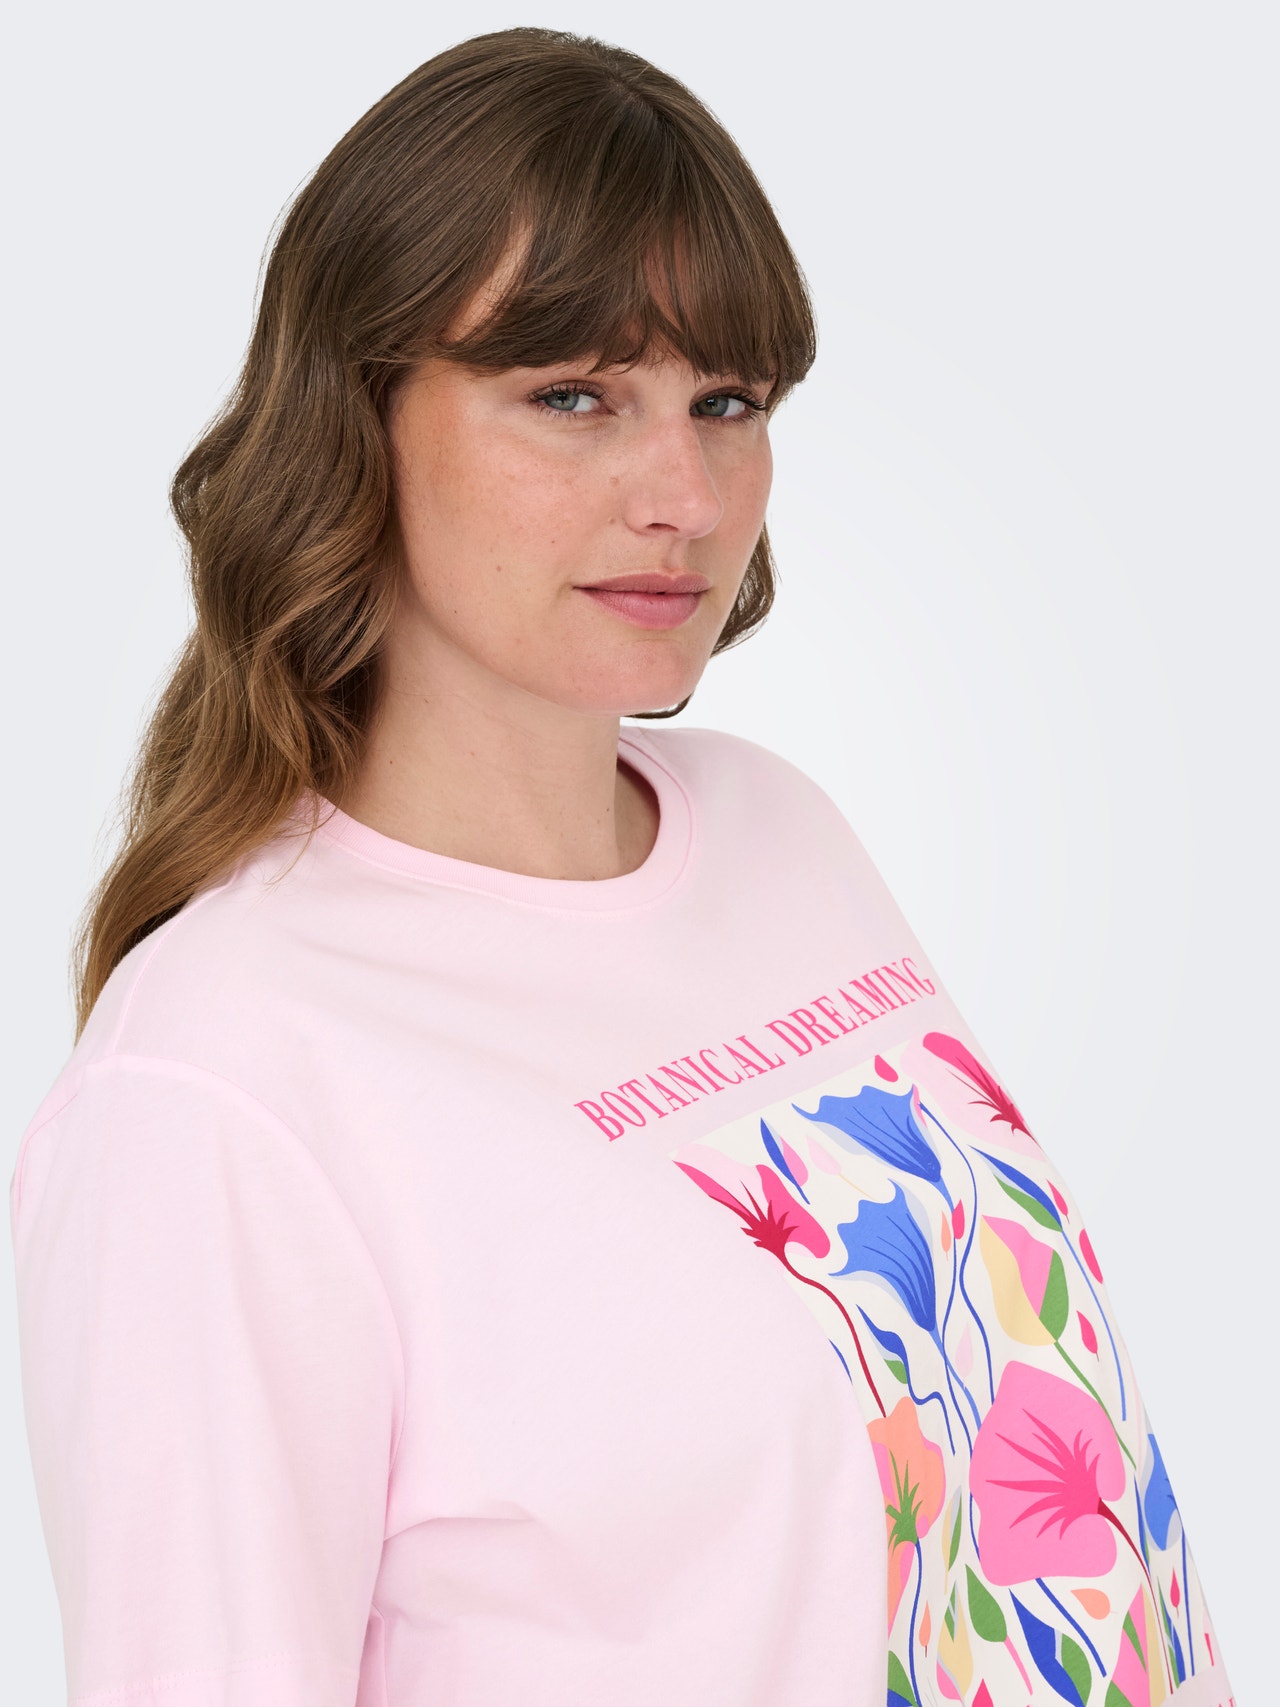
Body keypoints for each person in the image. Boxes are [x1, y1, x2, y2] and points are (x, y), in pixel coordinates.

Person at [8, 26, 1231, 1707]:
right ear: (353, 421)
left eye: (727, 403)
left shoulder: (777, 829)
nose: (687, 495)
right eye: (572, 397)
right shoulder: (220, 1084)